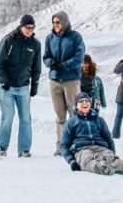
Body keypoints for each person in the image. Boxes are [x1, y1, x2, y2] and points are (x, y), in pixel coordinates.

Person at [0, 14, 42, 157]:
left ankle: (24, 149)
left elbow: (36, 68)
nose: (30, 30)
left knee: (26, 118)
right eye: (27, 27)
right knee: (8, 116)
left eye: (32, 28)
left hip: (23, 87)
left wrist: (34, 86)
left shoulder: (35, 45)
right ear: (21, 26)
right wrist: (3, 81)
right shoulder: (9, 40)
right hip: (6, 86)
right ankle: (2, 147)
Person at [60, 93, 123, 176]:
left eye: (86, 101)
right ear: (76, 105)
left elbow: (108, 138)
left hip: (100, 147)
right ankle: (100, 167)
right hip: (82, 149)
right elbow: (64, 145)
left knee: (109, 157)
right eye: (81, 101)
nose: (84, 103)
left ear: (90, 104)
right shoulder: (71, 122)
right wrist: (72, 162)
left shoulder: (99, 120)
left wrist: (112, 153)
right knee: (87, 159)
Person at [42, 10, 85, 155]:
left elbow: (79, 58)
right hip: (55, 80)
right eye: (53, 22)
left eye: (58, 22)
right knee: (60, 116)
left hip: (71, 81)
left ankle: (75, 145)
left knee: (74, 114)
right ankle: (60, 146)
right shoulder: (49, 38)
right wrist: (50, 62)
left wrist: (63, 65)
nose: (55, 25)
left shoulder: (75, 37)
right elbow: (45, 56)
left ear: (64, 22)